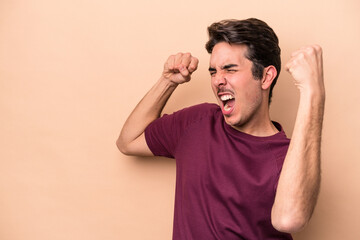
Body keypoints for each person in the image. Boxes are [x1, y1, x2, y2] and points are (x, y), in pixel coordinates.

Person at [117, 18, 325, 240]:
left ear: (266, 76)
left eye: (229, 69)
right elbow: (128, 141)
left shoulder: (289, 156)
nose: (218, 80)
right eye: (213, 71)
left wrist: (313, 93)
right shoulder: (196, 122)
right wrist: (167, 81)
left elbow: (289, 219)